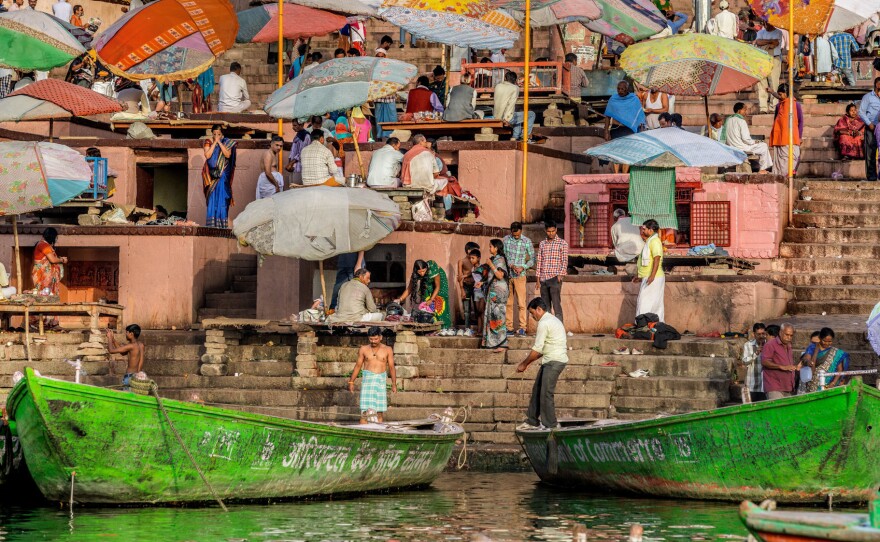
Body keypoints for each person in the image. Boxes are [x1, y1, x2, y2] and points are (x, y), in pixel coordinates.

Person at [515, 297, 568, 430]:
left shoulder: (544, 323)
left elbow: (537, 349)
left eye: (533, 314)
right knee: (537, 389)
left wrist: (524, 364)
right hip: (550, 359)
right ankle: (532, 420)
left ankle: (551, 424)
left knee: (546, 393)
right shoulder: (552, 319)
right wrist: (528, 361)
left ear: (539, 309)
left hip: (555, 361)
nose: (533, 317)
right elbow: (542, 349)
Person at [347, 327, 396, 423]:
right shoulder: (363, 349)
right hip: (368, 382)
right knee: (365, 411)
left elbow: (391, 367)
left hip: (380, 382)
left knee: (379, 412)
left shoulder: (387, 349)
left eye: (376, 339)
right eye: (371, 339)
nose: (373, 341)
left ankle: (378, 433)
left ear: (381, 337)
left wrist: (394, 384)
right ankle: (362, 435)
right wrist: (351, 381)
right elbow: (358, 366)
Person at [394, 259, 452, 330]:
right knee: (426, 301)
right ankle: (432, 327)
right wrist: (400, 299)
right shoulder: (416, 274)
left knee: (440, 300)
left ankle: (444, 327)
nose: (421, 273)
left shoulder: (432, 267)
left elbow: (437, 287)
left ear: (426, 268)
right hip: (427, 280)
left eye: (423, 271)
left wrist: (431, 299)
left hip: (439, 282)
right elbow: (409, 289)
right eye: (419, 272)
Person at [604, 81, 646, 173]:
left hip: (629, 130)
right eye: (618, 89)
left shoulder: (634, 99)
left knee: (626, 152)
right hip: (616, 129)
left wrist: (641, 132)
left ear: (627, 89)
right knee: (615, 152)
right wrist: (606, 131)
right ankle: (616, 175)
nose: (620, 91)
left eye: (622, 89)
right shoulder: (613, 98)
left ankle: (624, 174)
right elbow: (607, 116)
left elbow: (640, 116)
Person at [201, 125, 237, 228]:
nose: (216, 136)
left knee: (222, 199)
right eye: (214, 134)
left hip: (223, 176)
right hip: (212, 177)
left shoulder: (226, 142)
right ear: (212, 134)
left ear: (222, 134)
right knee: (212, 199)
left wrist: (219, 142)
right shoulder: (208, 142)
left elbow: (227, 155)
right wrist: (215, 143)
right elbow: (207, 155)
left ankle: (222, 225)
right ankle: (212, 225)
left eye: (219, 134)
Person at [721, 102, 772, 173]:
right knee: (763, 146)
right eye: (744, 110)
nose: (746, 112)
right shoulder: (741, 121)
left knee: (761, 145)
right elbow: (746, 139)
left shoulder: (728, 120)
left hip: (731, 147)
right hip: (741, 148)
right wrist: (755, 142)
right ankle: (762, 169)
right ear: (739, 111)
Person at [503, 222, 534, 336]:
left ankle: (522, 328)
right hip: (508, 275)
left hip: (520, 276)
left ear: (521, 231)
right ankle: (508, 327)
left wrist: (523, 267)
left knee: (521, 303)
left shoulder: (527, 241)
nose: (516, 237)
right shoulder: (505, 240)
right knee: (508, 303)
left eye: (518, 235)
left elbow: (532, 259)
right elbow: (503, 256)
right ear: (511, 231)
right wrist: (511, 265)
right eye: (514, 235)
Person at [480, 239, 510, 352]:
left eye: (490, 246)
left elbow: (500, 275)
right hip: (493, 291)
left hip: (499, 293)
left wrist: (491, 265)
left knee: (498, 316)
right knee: (492, 315)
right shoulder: (496, 259)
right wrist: (482, 283)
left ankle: (502, 343)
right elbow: (491, 277)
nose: (489, 248)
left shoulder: (500, 260)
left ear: (496, 248)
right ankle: (493, 341)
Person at [535, 220, 567, 323]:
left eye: (553, 231)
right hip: (544, 279)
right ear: (545, 231)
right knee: (546, 307)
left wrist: (560, 275)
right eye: (549, 231)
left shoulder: (562, 243)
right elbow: (539, 261)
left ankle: (559, 329)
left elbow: (564, 261)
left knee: (556, 305)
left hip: (555, 278)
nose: (551, 233)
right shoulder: (542, 244)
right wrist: (538, 279)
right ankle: (548, 329)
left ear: (556, 230)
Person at [768, 83, 803, 176]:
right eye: (778, 94)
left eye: (781, 94)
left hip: (791, 137)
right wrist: (772, 92)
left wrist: (799, 136)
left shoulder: (796, 105)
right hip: (779, 136)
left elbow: (800, 121)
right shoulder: (778, 106)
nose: (779, 96)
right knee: (780, 161)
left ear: (786, 93)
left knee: (791, 158)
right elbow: (775, 120)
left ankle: (789, 177)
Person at [802, 327, 851, 392]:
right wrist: (809, 361)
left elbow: (840, 369)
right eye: (824, 341)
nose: (827, 343)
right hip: (812, 383)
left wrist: (833, 382)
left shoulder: (836, 353)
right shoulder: (812, 347)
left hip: (828, 384)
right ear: (820, 338)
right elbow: (806, 357)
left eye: (829, 341)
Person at [634, 219, 664, 322]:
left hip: (653, 277)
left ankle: (646, 325)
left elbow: (657, 258)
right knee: (648, 303)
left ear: (650, 230)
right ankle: (649, 326)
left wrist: (652, 276)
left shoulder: (655, 241)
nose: (642, 231)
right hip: (648, 277)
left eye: (644, 229)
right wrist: (639, 276)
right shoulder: (650, 241)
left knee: (645, 303)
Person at [494, 70, 535, 142]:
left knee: (517, 115)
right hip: (507, 117)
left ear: (505, 78)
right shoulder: (515, 88)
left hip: (496, 116)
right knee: (531, 114)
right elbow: (510, 103)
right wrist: (505, 119)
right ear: (515, 80)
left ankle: (515, 136)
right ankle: (525, 136)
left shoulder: (497, 86)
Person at [761, 322, 797, 399]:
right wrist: (781, 367)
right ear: (780, 332)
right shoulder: (770, 344)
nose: (789, 338)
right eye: (787, 335)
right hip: (774, 387)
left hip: (788, 387)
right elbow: (764, 362)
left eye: (791, 336)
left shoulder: (789, 345)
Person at [106, 324, 145, 392]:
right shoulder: (141, 345)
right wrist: (113, 339)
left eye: (126, 332)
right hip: (138, 377)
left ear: (131, 333)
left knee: (127, 399)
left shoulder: (131, 346)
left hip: (130, 377)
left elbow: (111, 350)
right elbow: (122, 352)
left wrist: (109, 338)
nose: (125, 334)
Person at [756, 22, 784, 113]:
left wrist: (764, 43)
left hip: (774, 58)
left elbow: (775, 43)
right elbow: (758, 42)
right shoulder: (760, 32)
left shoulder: (778, 32)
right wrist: (769, 42)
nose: (765, 24)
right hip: (762, 58)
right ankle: (763, 107)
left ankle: (773, 106)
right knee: (761, 83)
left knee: (774, 83)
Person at [32, 227, 67, 296]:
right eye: (56, 237)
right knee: (44, 294)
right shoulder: (43, 245)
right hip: (42, 275)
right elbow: (53, 260)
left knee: (46, 294)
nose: (56, 240)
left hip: (45, 274)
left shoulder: (43, 244)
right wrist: (62, 260)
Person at [741, 322, 768, 402]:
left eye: (763, 334)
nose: (761, 336)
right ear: (754, 334)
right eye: (758, 334)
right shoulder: (748, 345)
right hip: (752, 384)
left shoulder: (769, 344)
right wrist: (755, 353)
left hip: (765, 385)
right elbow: (744, 361)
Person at [859, 77, 880, 181]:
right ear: (877, 85)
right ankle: (871, 176)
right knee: (870, 153)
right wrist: (869, 123)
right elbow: (861, 112)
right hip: (871, 127)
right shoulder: (868, 97)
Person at [457, 241, 479, 333]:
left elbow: (477, 272)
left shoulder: (476, 260)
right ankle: (467, 328)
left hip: (476, 287)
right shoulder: (461, 261)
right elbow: (459, 277)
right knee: (467, 309)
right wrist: (462, 289)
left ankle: (479, 328)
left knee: (478, 308)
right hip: (465, 286)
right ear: (469, 250)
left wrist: (465, 275)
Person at [284, 119, 310, 186]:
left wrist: (291, 163)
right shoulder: (298, 135)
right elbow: (293, 152)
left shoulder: (306, 136)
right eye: (293, 125)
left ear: (301, 125)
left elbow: (302, 152)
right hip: (294, 167)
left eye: (295, 125)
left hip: (300, 167)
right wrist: (289, 163)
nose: (293, 127)